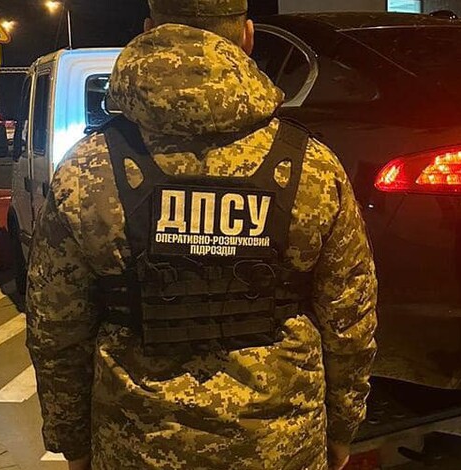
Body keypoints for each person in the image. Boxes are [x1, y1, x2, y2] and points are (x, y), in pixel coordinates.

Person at [25, 1, 378, 469]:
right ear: (247, 36)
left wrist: (73, 439)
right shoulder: (311, 167)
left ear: (149, 30)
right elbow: (350, 321)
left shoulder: (87, 170)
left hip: (137, 447)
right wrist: (343, 427)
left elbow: (55, 327)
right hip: (281, 447)